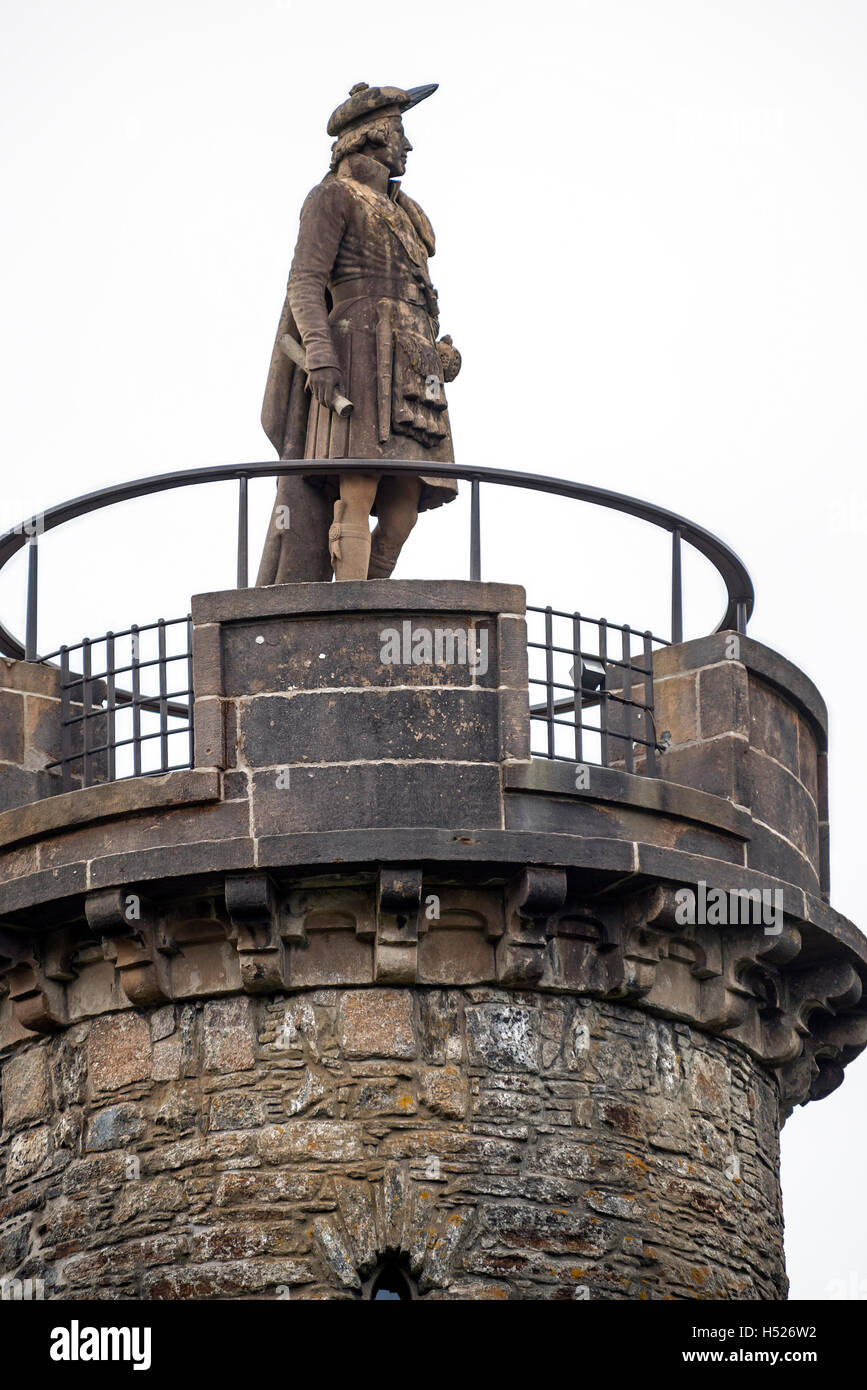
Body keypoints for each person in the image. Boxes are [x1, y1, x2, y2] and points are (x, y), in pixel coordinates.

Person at [257, 82, 461, 584]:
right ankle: (350, 601)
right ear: (373, 136)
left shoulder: (408, 217)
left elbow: (419, 294)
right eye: (400, 134)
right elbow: (305, 281)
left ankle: (371, 595)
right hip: (359, 350)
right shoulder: (333, 196)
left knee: (404, 506)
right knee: (359, 485)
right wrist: (322, 356)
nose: (407, 146)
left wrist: (439, 351)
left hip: (413, 362)